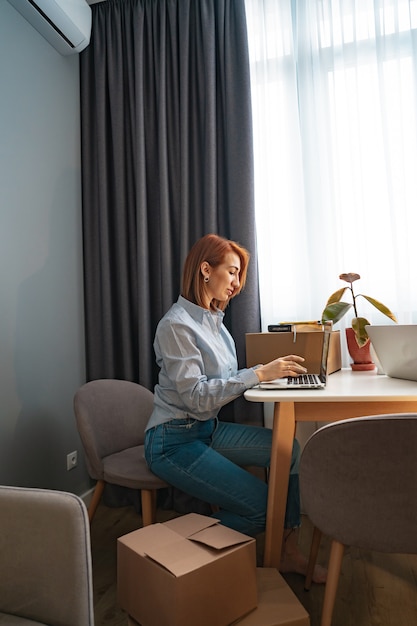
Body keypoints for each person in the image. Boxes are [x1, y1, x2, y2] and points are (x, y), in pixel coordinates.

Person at [144, 233, 326, 582]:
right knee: (261, 509)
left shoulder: (216, 325)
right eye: (232, 272)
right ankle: (168, 549)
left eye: (240, 275)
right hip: (171, 441)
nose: (237, 283)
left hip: (206, 430)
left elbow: (224, 383)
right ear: (205, 270)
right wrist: (258, 374)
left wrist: (267, 373)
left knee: (289, 450)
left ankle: (287, 552)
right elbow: (196, 396)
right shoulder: (176, 326)